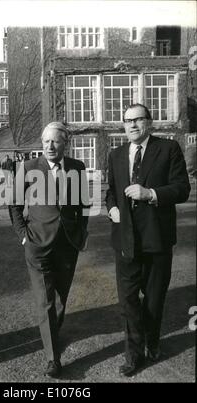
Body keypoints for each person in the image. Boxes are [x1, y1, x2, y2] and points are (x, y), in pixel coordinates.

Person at [106, 104, 191, 377]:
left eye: (137, 120)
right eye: (127, 121)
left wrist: (150, 193)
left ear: (149, 122)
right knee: (128, 301)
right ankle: (133, 355)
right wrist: (112, 209)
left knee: (154, 300)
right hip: (125, 241)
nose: (131, 125)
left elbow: (182, 189)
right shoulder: (116, 155)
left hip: (157, 240)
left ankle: (152, 343)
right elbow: (110, 192)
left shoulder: (168, 149)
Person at [9, 122, 89, 378]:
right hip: (37, 244)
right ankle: (53, 358)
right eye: (45, 142)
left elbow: (84, 205)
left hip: (68, 245)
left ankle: (51, 332)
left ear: (65, 142)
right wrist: (23, 236)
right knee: (45, 301)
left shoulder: (77, 167)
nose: (50, 146)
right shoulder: (29, 168)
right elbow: (14, 204)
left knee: (61, 299)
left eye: (55, 141)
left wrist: (81, 233)